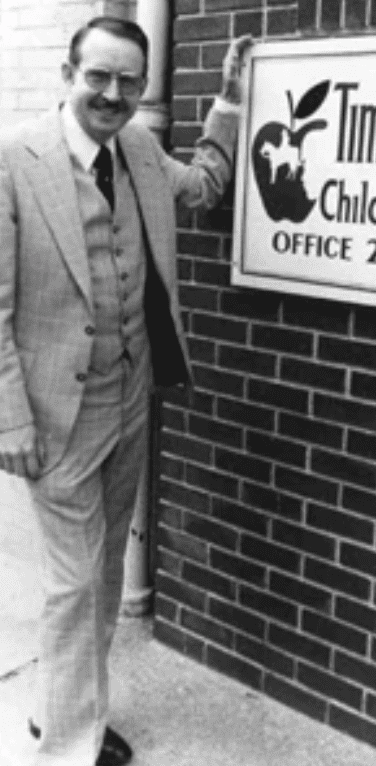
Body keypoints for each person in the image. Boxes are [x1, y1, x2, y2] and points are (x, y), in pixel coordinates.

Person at [0, 15, 251, 766]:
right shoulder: (14, 161)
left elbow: (203, 186)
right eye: (98, 77)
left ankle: (64, 709)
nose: (112, 94)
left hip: (130, 398)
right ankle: (68, 752)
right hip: (53, 415)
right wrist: (8, 420)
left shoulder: (139, 147)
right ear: (69, 74)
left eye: (128, 81)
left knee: (104, 573)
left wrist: (232, 103)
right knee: (75, 586)